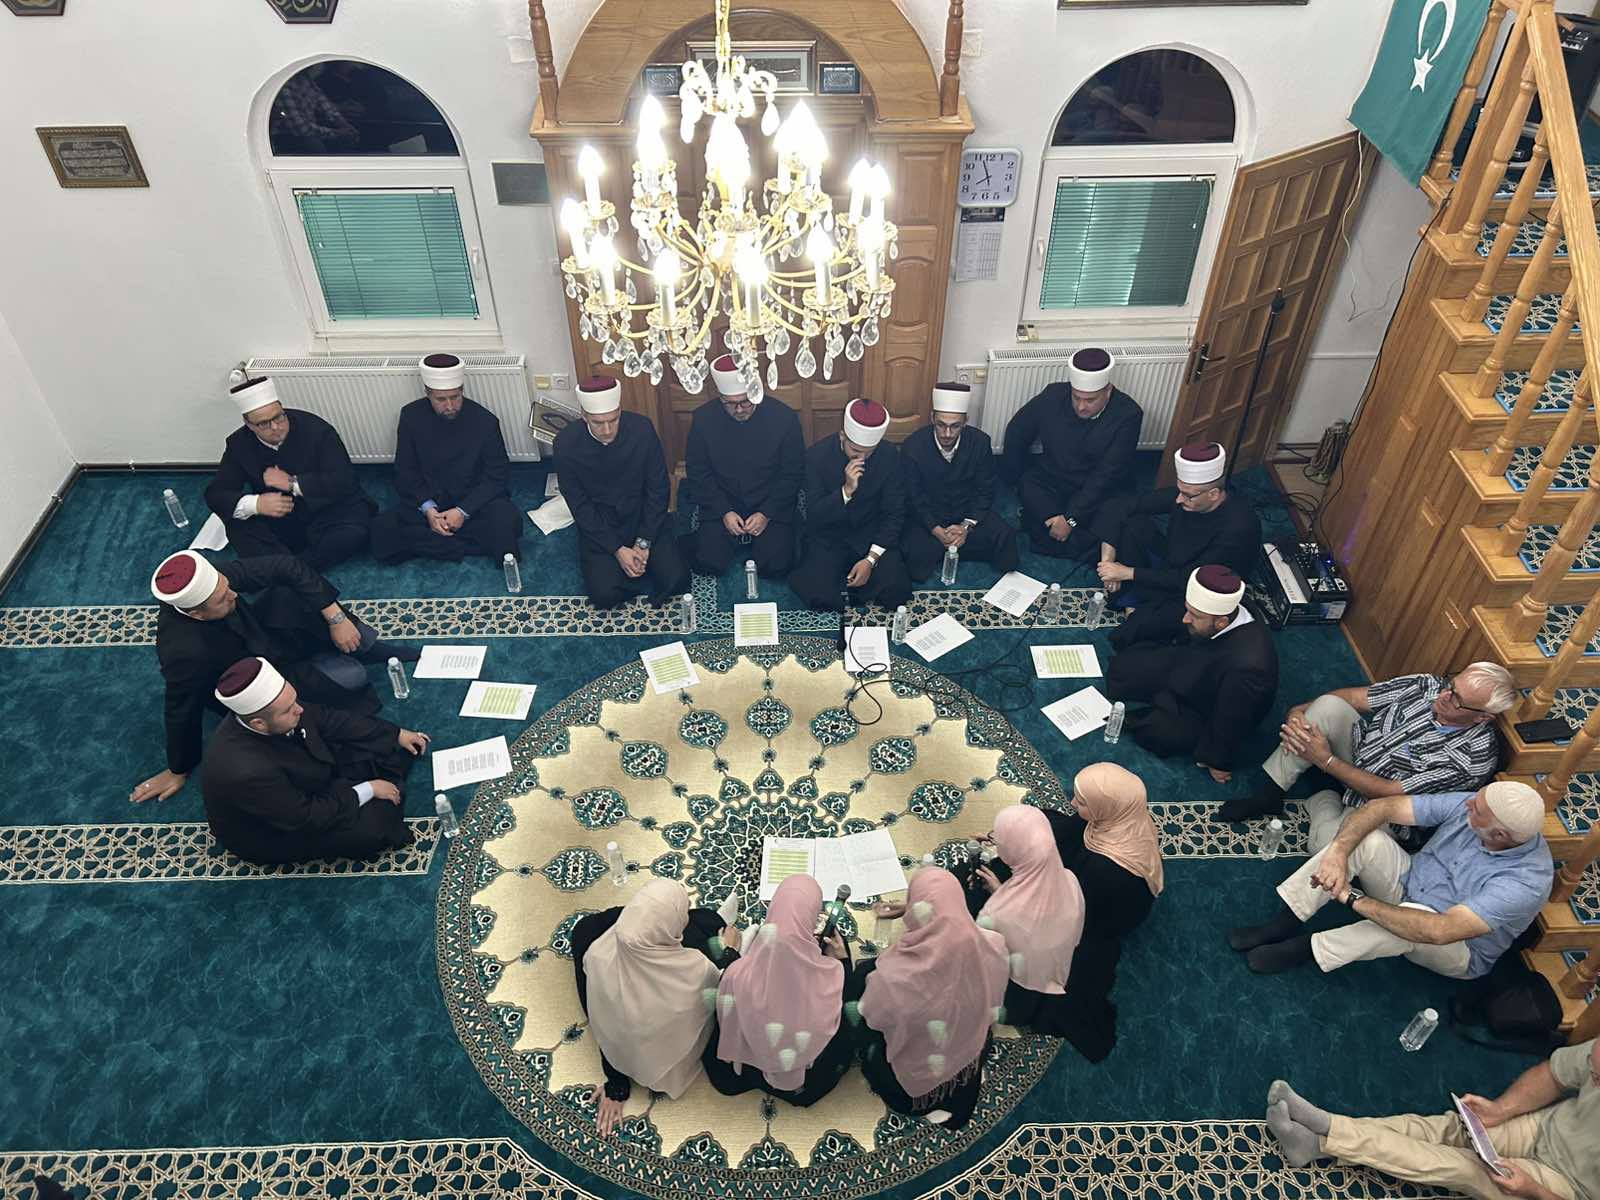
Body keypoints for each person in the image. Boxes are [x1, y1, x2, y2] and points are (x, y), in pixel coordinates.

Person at [131, 549, 411, 804]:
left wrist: (337, 619)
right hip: (255, 678)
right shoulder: (184, 653)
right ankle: (348, 655)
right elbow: (181, 708)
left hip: (261, 638)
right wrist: (178, 768)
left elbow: (286, 565)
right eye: (223, 598)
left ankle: (367, 647)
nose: (233, 595)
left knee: (292, 594)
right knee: (352, 678)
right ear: (196, 613)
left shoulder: (211, 581)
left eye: (227, 587)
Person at [1228, 781, 1553, 978]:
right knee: (1368, 840)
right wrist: (1339, 852)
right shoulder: (1477, 806)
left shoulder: (1525, 882)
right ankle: (1285, 921)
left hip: (1457, 947)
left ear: (1499, 835)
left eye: (1476, 809)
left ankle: (1306, 949)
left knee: (1413, 924)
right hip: (1411, 880)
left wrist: (1352, 898)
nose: (1467, 803)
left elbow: (1439, 930)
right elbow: (1383, 808)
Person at [1262, 1038, 1598, 1200]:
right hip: (1546, 1127)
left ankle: (1325, 1133)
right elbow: (1554, 1074)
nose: (1592, 1080)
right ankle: (1317, 1143)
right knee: (1449, 1127)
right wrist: (1501, 1110)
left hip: (1567, 1185)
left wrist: (1534, 1190)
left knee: (1464, 1167)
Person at [1216, 661, 1514, 825]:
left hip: (1381, 803)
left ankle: (1325, 798)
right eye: (1451, 685)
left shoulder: (1471, 760)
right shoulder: (1428, 685)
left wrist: (1325, 761)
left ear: (1483, 717)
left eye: (1457, 699)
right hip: (1360, 751)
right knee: (1327, 707)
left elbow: (1388, 792)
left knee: (1325, 846)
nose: (1444, 695)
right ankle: (1268, 795)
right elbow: (1354, 698)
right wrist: (1299, 711)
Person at [200, 657, 429, 865]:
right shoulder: (246, 771)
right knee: (373, 827)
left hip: (305, 775)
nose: (300, 709)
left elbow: (330, 720)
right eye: (289, 710)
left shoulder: (280, 709)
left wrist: (395, 734)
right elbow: (305, 818)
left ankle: (362, 786)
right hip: (275, 829)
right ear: (258, 723)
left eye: (295, 700)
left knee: (382, 747)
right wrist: (368, 789)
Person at [570, 879, 742, 1135]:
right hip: (665, 1064)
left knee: (678, 919)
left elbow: (599, 1016)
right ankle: (721, 927)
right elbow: (727, 984)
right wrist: (730, 952)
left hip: (631, 983)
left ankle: (710, 923)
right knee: (704, 928)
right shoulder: (695, 973)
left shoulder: (596, 952)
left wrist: (616, 1081)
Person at [849, 867, 1010, 1129]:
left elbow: (873, 1019)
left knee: (858, 994)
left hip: (914, 1089)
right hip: (968, 1055)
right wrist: (914, 909)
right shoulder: (994, 945)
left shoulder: (891, 979)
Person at [967, 804, 1125, 1062]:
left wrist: (999, 897)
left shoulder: (998, 913)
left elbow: (982, 952)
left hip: (1015, 996)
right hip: (1054, 967)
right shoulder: (1069, 878)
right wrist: (1002, 892)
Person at [1105, 566, 1279, 785]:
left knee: (1157, 732)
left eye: (1195, 616)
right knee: (1126, 670)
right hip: (1199, 664)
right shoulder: (1225, 606)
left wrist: (1217, 760)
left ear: (1222, 622)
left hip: (1212, 702)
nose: (1186, 619)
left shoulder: (1250, 667)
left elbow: (1233, 718)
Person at [703, 875, 853, 1106]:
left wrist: (730, 954)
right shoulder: (832, 978)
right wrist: (842, 960)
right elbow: (846, 1014)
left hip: (749, 1070)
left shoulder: (735, 974)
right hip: (808, 1082)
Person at [1094, 441, 1262, 646]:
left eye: (1188, 495)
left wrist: (1127, 573)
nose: (1178, 499)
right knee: (1132, 525)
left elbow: (1190, 578)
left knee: (1129, 634)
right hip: (1173, 563)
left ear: (1213, 494)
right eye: (1180, 490)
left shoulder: (1238, 529)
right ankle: (1136, 602)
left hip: (1198, 588)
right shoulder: (1189, 496)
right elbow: (1120, 506)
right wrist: (1108, 563)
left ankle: (1138, 605)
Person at [204, 375, 374, 569]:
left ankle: (285, 569)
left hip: (325, 510)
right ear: (249, 425)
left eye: (278, 417)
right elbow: (216, 494)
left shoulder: (317, 431)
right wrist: (257, 504)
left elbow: (345, 481)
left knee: (353, 531)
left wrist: (294, 484)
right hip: (278, 519)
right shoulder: (239, 444)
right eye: (264, 424)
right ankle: (291, 568)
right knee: (238, 527)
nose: (275, 427)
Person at [369, 353, 523, 565]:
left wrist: (463, 511)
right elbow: (405, 470)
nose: (450, 406)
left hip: (473, 503)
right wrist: (429, 511)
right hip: (431, 501)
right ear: (428, 394)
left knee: (506, 521)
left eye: (455, 397)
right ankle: (463, 545)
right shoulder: (411, 417)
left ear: (462, 391)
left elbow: (497, 476)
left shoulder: (485, 421)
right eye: (441, 400)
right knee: (381, 529)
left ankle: (435, 545)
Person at [553, 377, 691, 609]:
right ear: (584, 416)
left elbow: (658, 488)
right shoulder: (565, 443)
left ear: (620, 412)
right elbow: (579, 505)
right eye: (598, 423)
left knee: (677, 580)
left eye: (613, 420)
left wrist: (643, 542)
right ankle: (628, 570)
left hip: (642, 517)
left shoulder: (642, 429)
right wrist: (617, 550)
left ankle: (640, 564)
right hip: (602, 524)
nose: (607, 430)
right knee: (604, 595)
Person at [1000, 348, 1142, 560]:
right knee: (1028, 484)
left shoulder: (1128, 414)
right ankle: (1058, 528)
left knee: (1115, 514)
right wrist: (1016, 477)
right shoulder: (1053, 395)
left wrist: (1071, 519)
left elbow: (1108, 474)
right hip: (1054, 476)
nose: (1081, 407)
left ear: (1108, 391)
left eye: (1090, 400)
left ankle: (1054, 529)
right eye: (1076, 398)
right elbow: (1017, 431)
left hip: (1094, 486)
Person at [681, 354, 805, 578]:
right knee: (708, 562)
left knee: (776, 566)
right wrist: (724, 511)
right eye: (730, 404)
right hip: (724, 502)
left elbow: (792, 473)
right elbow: (698, 472)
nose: (739, 410)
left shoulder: (784, 418)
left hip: (769, 503)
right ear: (720, 398)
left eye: (745, 401)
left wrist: (766, 513)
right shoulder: (703, 419)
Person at [788, 398, 912, 612]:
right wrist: (845, 491)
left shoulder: (889, 455)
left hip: (869, 536)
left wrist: (871, 560)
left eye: (869, 452)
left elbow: (894, 512)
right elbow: (815, 516)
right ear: (842, 436)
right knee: (820, 596)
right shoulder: (816, 456)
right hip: (829, 537)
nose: (861, 458)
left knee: (897, 591)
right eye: (855, 450)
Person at [898, 381, 1019, 582]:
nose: (947, 434)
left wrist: (965, 527)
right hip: (930, 517)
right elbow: (913, 497)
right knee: (913, 555)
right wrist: (936, 529)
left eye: (955, 426)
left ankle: (953, 546)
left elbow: (985, 489)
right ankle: (951, 546)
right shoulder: (913, 447)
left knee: (1006, 540)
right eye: (941, 425)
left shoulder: (980, 443)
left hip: (967, 514)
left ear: (965, 421)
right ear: (932, 418)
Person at [1061, 763, 1164, 943]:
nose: (1072, 803)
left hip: (1105, 913)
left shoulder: (1104, 868)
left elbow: (1084, 905)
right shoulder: (1130, 816)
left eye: (1081, 802)